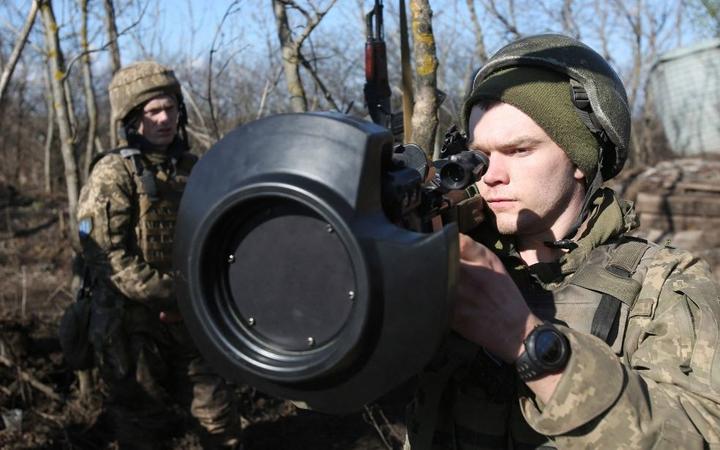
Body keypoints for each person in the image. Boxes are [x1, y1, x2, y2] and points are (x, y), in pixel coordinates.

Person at [405, 34, 720, 449]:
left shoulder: (662, 286)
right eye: (480, 155)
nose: (490, 175)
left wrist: (528, 343)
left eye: (518, 150)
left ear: (579, 159)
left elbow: (700, 434)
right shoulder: (447, 260)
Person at [76, 61, 241, 449]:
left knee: (219, 419)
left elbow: (216, 237)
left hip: (190, 319)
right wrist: (171, 294)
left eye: (170, 108)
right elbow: (105, 254)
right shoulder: (113, 173)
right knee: (143, 426)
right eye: (153, 111)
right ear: (133, 119)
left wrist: (198, 297)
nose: (165, 118)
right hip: (131, 326)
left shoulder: (193, 169)